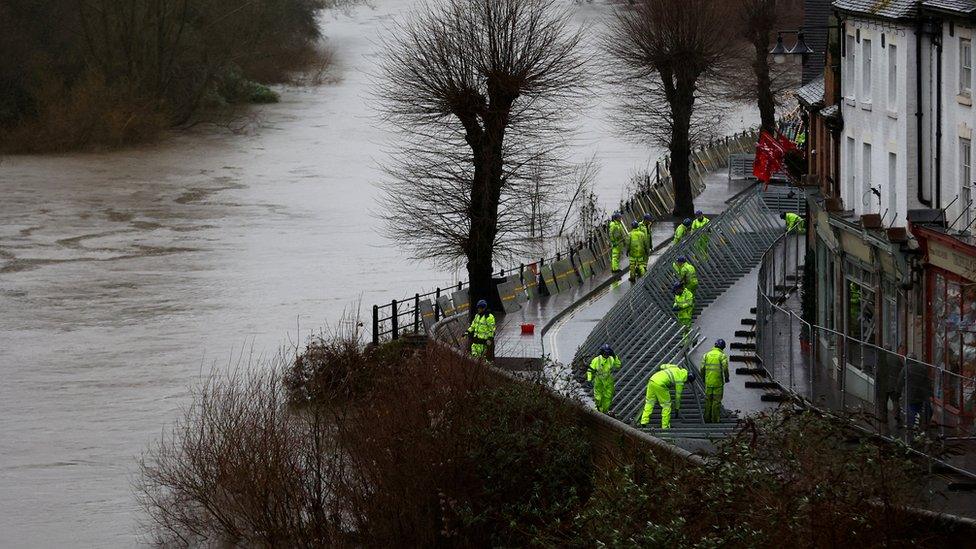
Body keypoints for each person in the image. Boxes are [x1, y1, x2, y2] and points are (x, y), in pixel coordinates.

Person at [639, 363, 692, 429]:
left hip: (652, 380)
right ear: (687, 379)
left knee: (649, 402)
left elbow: (662, 366)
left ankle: (643, 422)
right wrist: (677, 408)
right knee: (666, 405)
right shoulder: (680, 381)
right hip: (661, 384)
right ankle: (665, 426)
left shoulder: (675, 367)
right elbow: (678, 397)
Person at [899, 354, 933, 430]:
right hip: (922, 393)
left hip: (911, 394)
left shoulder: (906, 368)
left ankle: (912, 426)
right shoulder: (922, 368)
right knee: (923, 409)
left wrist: (898, 390)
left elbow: (900, 380)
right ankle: (923, 424)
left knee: (912, 410)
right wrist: (931, 392)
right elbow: (927, 381)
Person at [876, 346, 906, 431]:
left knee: (883, 402)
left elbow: (878, 372)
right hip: (894, 384)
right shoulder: (896, 358)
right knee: (895, 401)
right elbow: (901, 370)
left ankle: (884, 419)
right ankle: (897, 416)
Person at [700, 339, 730, 423]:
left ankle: (706, 419)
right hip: (718, 383)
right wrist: (727, 378)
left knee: (708, 401)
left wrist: (703, 378)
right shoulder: (722, 356)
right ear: (723, 347)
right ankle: (715, 420)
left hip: (708, 382)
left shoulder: (706, 355)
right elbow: (725, 368)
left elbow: (702, 368)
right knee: (716, 402)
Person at [588, 344, 622, 414]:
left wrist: (615, 356)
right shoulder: (596, 360)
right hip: (599, 380)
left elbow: (618, 365)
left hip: (608, 380)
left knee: (608, 397)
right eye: (605, 353)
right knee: (598, 397)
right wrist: (589, 379)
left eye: (608, 353)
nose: (606, 355)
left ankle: (604, 411)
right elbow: (590, 370)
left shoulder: (611, 359)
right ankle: (598, 409)